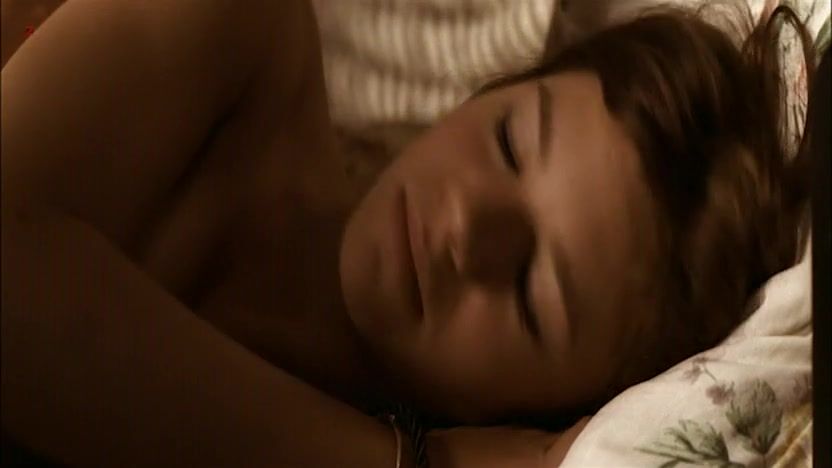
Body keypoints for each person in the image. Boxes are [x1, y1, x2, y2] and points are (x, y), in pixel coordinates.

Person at [1, 0, 815, 466]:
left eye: (531, 293)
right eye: (508, 142)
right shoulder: (239, 31)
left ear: (540, 410)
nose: (465, 228)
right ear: (487, 91)